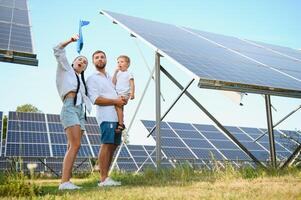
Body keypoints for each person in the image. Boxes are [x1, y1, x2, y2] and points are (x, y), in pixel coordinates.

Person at [53, 34, 92, 190]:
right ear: (74, 62)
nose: (82, 62)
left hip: (80, 112)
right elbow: (57, 49)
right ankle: (64, 182)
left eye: (85, 63)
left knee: (73, 146)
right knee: (75, 144)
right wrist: (70, 40)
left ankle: (67, 180)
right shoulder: (65, 68)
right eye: (80, 59)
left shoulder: (82, 82)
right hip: (69, 107)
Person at [87, 50, 127, 187]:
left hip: (117, 117)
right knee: (107, 144)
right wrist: (115, 102)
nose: (100, 59)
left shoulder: (111, 77)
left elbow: (117, 94)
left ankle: (106, 177)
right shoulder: (92, 78)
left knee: (114, 145)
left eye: (102, 57)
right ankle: (103, 179)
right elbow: (95, 99)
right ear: (93, 61)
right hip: (106, 116)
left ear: (106, 60)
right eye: (97, 57)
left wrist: (122, 99)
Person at [112, 55, 135, 133]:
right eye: (118, 62)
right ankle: (120, 123)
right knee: (118, 108)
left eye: (122, 62)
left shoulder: (129, 73)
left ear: (127, 64)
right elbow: (113, 82)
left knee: (118, 106)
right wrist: (115, 72)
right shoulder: (118, 73)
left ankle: (121, 124)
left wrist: (132, 93)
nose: (119, 63)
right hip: (117, 94)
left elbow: (132, 83)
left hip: (125, 94)